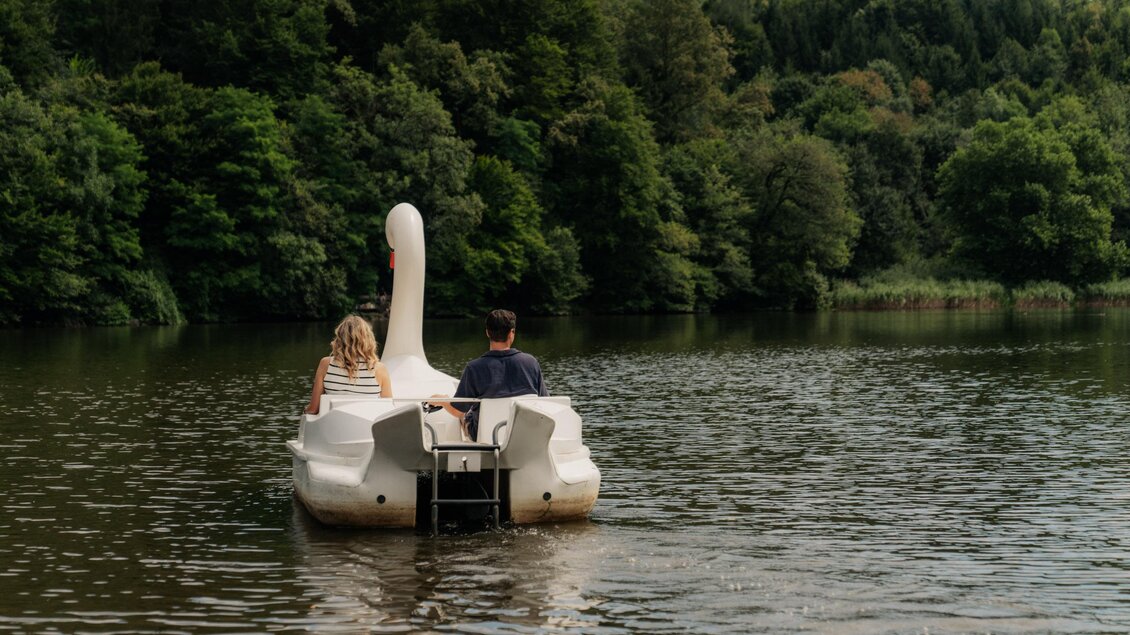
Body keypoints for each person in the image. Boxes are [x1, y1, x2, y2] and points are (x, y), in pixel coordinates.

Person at [431, 309, 549, 440]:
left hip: (487, 437)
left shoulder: (474, 368)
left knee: (464, 415)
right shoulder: (531, 363)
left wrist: (443, 400)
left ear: (487, 332)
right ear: (512, 333)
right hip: (525, 433)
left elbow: (457, 411)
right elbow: (545, 402)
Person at [305, 315, 392, 414]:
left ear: (339, 338)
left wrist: (305, 411)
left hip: (334, 425)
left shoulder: (326, 364)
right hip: (366, 427)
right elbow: (388, 410)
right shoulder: (379, 369)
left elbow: (313, 410)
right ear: (368, 339)